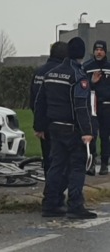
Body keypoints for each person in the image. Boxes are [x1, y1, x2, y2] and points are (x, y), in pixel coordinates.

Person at [34, 37, 97, 219]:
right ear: (82, 53)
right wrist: (87, 131)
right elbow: (81, 106)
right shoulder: (78, 77)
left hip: (54, 128)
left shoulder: (51, 74)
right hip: (73, 129)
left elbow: (40, 102)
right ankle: (75, 205)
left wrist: (39, 126)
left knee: (56, 166)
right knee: (77, 167)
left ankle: (50, 203)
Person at [30, 41, 68, 177]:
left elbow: (33, 100)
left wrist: (39, 124)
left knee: (47, 158)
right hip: (59, 123)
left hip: (43, 123)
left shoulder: (39, 72)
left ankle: (49, 189)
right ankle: (58, 192)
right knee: (60, 160)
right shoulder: (62, 72)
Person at [83, 40, 110, 175]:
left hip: (107, 105)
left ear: (105, 51)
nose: (99, 52)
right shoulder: (87, 66)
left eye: (101, 50)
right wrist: (92, 82)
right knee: (92, 134)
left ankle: (105, 163)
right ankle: (92, 162)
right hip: (92, 105)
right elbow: (82, 85)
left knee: (105, 136)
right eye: (96, 50)